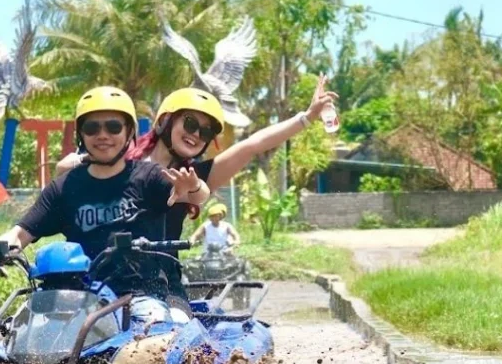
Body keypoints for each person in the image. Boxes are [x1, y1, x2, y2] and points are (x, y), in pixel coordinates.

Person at [0, 86, 210, 323]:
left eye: (113, 126)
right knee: (16, 333)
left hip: (141, 299)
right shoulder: (63, 188)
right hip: (79, 300)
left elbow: (200, 196)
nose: (103, 135)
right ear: (81, 135)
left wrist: (192, 188)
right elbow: (21, 232)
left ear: (129, 132)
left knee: (154, 343)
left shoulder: (149, 177)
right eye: (92, 127)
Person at [56, 75, 339, 240]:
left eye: (205, 132)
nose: (196, 135)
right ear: (165, 121)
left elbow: (253, 145)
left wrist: (307, 117)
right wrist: (85, 161)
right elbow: (64, 173)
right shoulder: (119, 159)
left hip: (159, 283)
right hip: (94, 277)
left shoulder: (197, 179)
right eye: (190, 124)